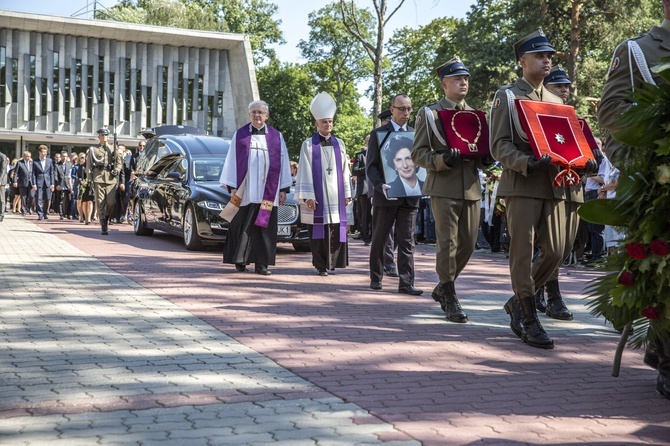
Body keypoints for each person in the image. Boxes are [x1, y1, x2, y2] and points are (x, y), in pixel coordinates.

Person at [598, 0, 670, 399]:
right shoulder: (639, 50)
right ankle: (666, 353)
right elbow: (611, 112)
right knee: (662, 269)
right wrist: (648, 157)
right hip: (659, 182)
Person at [489, 30, 568, 349]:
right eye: (539, 55)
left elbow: (566, 143)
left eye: (549, 55)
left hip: (553, 185)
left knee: (557, 249)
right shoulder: (506, 96)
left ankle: (517, 300)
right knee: (522, 252)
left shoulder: (556, 100)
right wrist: (525, 161)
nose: (547, 59)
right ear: (522, 61)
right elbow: (498, 145)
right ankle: (528, 315)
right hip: (522, 183)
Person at [412, 57, 490, 321]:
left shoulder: (476, 116)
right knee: (448, 242)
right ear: (444, 84)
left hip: (471, 187)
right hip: (443, 185)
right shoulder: (431, 114)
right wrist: (441, 160)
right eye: (458, 79)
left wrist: (486, 158)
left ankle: (443, 287)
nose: (463, 82)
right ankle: (450, 294)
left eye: (466, 78)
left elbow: (479, 150)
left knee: (468, 244)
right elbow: (418, 153)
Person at [531, 65, 585, 319]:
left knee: (563, 248)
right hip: (547, 189)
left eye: (566, 87)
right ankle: (547, 295)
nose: (564, 91)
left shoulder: (576, 121)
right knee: (550, 248)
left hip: (572, 190)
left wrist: (591, 160)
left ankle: (539, 290)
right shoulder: (537, 122)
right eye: (558, 86)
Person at [219, 100, 292, 276]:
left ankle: (262, 264)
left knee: (264, 228)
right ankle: (240, 260)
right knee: (243, 225)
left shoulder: (276, 136)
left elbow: (283, 163)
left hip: (269, 192)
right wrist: (232, 187)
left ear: (267, 115)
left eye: (261, 112)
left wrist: (283, 189)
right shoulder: (240, 135)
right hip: (246, 191)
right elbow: (231, 161)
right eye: (254, 112)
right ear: (249, 115)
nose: (257, 115)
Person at [366, 93, 422, 295]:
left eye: (409, 109)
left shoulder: (416, 134)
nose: (406, 113)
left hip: (409, 196)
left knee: (407, 240)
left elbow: (421, 164)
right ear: (392, 110)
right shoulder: (379, 133)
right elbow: (371, 166)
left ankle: (406, 282)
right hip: (386, 196)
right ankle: (376, 277)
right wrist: (379, 185)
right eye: (402, 109)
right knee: (380, 238)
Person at [295, 92, 352, 276]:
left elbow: (345, 170)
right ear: (317, 124)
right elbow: (304, 170)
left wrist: (347, 193)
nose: (328, 125)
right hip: (318, 199)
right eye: (324, 122)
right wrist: (308, 196)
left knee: (334, 230)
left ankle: (333, 263)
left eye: (330, 121)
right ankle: (320, 265)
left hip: (336, 196)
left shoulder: (340, 144)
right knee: (319, 232)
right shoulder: (309, 145)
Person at [86, 128, 124, 235]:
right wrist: (90, 179)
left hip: (111, 179)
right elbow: (89, 166)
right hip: (98, 178)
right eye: (102, 135)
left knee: (111, 203)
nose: (104, 137)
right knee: (100, 202)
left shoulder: (113, 149)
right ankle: (103, 224)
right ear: (99, 136)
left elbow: (119, 163)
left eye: (106, 135)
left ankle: (106, 217)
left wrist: (116, 170)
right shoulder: (93, 149)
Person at [351, 135, 372, 246]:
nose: (369, 142)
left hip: (375, 188)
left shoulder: (377, 154)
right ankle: (366, 237)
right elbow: (355, 171)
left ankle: (374, 235)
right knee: (365, 214)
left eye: (371, 140)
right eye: (367, 140)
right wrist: (368, 167)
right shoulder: (360, 156)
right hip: (363, 188)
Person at [32, 145, 55, 220]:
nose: (45, 154)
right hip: (39, 182)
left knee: (47, 198)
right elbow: (33, 174)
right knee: (39, 198)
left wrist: (52, 183)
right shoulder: (35, 161)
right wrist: (34, 184)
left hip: (47, 182)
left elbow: (52, 172)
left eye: (46, 152)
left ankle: (45, 213)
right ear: (39, 152)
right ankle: (40, 214)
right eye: (43, 152)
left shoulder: (49, 160)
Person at [0, 151, 8, 222]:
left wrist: (0, 180)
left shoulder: (3, 156)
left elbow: (3, 169)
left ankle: (1, 215)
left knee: (1, 199)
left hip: (1, 181)